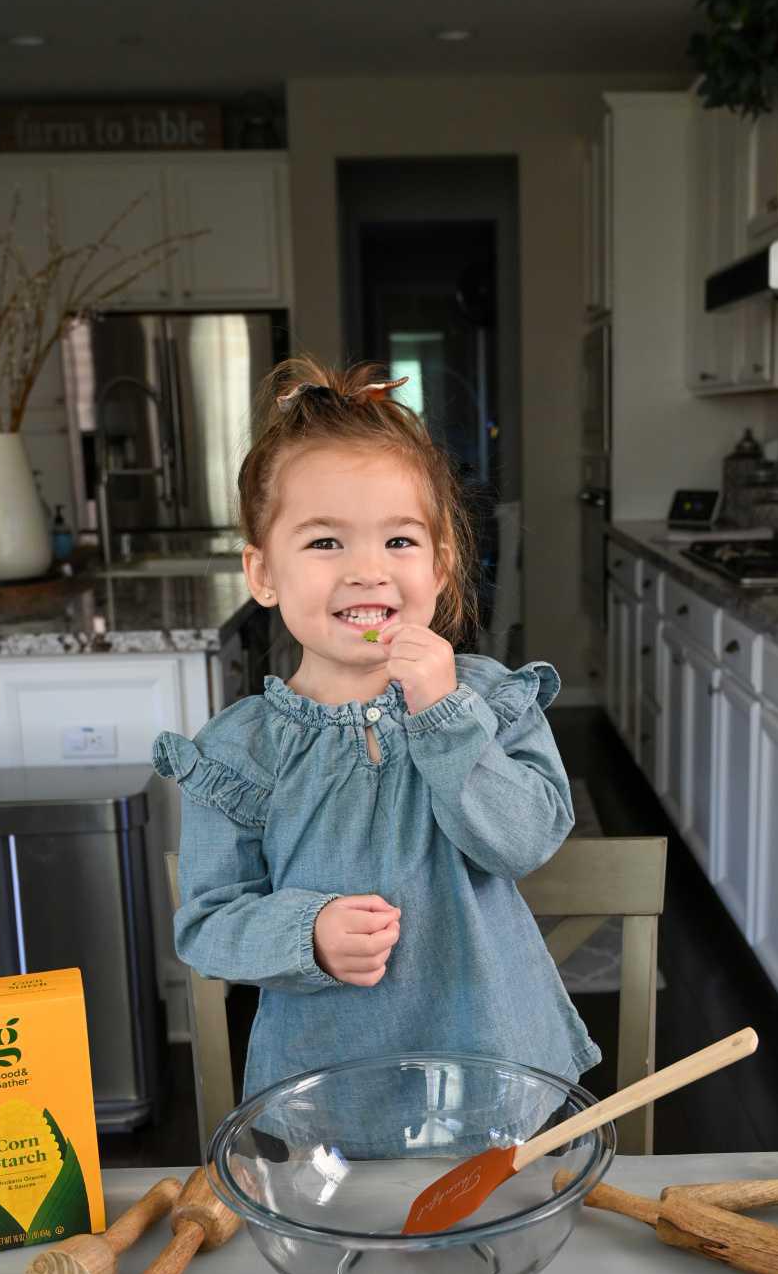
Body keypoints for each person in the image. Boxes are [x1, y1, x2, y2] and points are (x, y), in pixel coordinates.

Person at [153, 356, 601, 1112]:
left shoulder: (489, 699)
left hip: (494, 1077)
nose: (368, 571)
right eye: (326, 543)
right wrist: (309, 932)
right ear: (263, 573)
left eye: (398, 542)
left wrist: (442, 715)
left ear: (441, 564)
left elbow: (523, 841)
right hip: (328, 1102)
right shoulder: (239, 754)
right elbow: (208, 923)